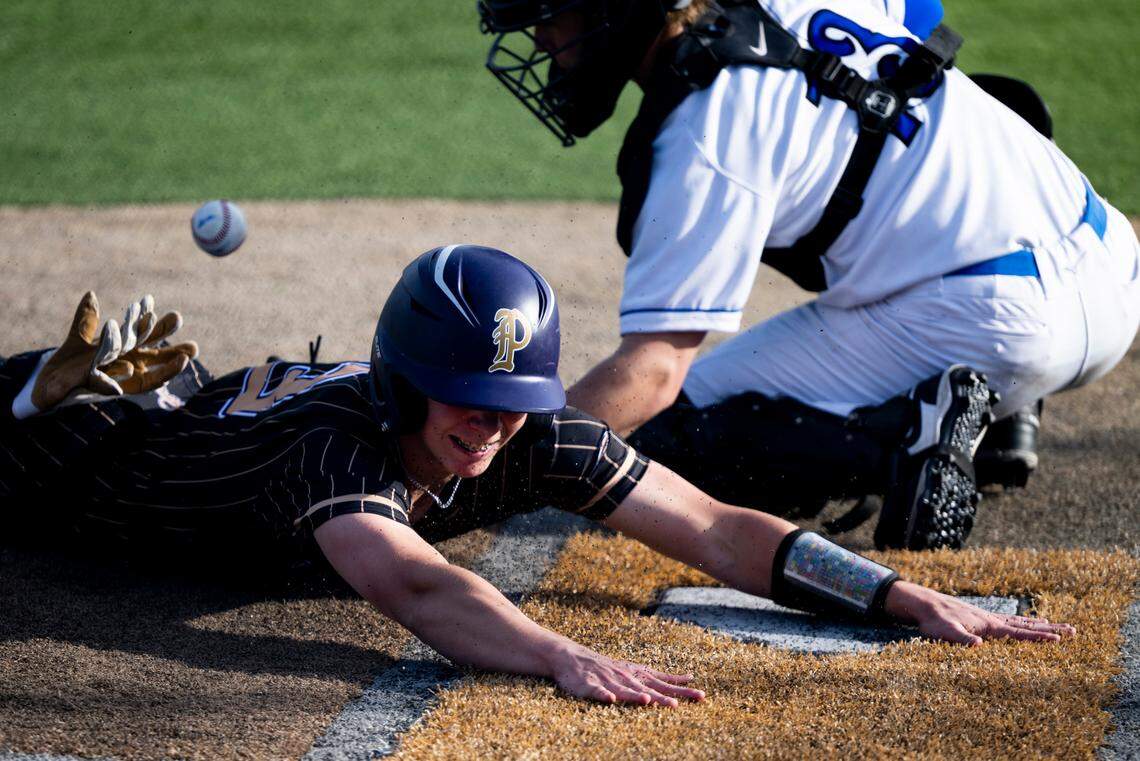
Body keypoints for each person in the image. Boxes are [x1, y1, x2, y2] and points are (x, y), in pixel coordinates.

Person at [1, 245, 1074, 706]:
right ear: (404, 383)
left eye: (512, 404)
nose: (489, 429)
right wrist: (559, 653)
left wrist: (888, 589)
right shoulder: (339, 447)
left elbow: (710, 528)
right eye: (465, 398)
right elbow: (416, 586)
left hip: (176, 426)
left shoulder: (531, 430)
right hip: (49, 462)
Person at [477, 0, 1140, 550]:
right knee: (984, 102)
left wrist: (474, 475)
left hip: (999, 320)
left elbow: (651, 373)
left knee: (671, 441)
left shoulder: (704, 132)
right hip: (1114, 260)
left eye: (552, 12)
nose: (541, 37)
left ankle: (905, 437)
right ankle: (1008, 413)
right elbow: (922, 13)